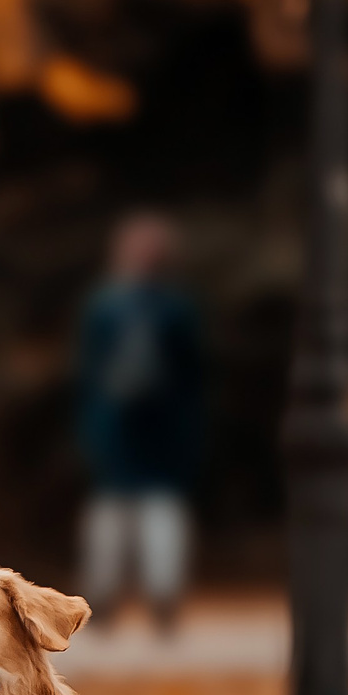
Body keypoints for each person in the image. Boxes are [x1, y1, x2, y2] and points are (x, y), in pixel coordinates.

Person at [74, 211, 204, 633]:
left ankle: (156, 595)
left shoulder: (167, 309)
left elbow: (192, 374)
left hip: (155, 430)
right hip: (123, 429)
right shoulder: (113, 307)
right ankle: (106, 596)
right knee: (117, 512)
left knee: (152, 510)